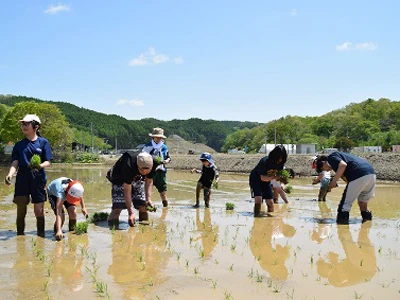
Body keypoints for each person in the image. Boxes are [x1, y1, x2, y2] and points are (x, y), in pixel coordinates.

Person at [4, 114, 53, 236]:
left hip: (38, 178)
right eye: (22, 124)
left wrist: (40, 166)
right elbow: (15, 163)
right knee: (21, 209)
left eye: (27, 124)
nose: (23, 126)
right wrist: (10, 174)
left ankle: (40, 236)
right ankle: (20, 236)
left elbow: (48, 162)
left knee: (39, 210)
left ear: (36, 126)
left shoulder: (43, 142)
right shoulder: (19, 145)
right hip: (22, 178)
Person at [315, 152, 375, 224]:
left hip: (358, 174)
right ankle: (367, 225)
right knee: (363, 203)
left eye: (323, 169)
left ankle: (342, 228)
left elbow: (343, 165)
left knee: (344, 206)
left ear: (323, 162)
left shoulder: (331, 157)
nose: (327, 171)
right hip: (371, 174)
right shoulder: (342, 158)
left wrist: (334, 181)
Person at [106, 151, 156, 227]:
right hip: (119, 178)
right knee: (118, 208)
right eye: (142, 170)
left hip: (138, 178)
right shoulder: (128, 164)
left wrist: (148, 198)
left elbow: (149, 181)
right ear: (137, 166)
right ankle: (113, 230)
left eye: (147, 171)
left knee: (143, 204)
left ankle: (144, 229)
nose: (144, 172)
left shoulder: (154, 162)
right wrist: (131, 212)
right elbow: (127, 190)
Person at [249, 145, 287, 216]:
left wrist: (283, 185)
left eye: (282, 158)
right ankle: (256, 217)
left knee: (271, 203)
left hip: (266, 181)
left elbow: (281, 178)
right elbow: (262, 177)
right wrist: (274, 177)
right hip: (256, 178)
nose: (280, 160)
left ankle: (269, 220)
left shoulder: (281, 165)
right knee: (258, 200)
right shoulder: (265, 161)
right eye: (279, 157)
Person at [142, 127, 171, 208]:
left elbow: (168, 157)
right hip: (149, 171)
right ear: (153, 137)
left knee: (163, 194)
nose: (158, 139)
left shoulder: (164, 147)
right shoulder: (147, 146)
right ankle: (146, 209)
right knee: (147, 194)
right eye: (157, 137)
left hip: (161, 172)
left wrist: (167, 161)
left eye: (160, 137)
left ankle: (166, 209)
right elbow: (142, 158)